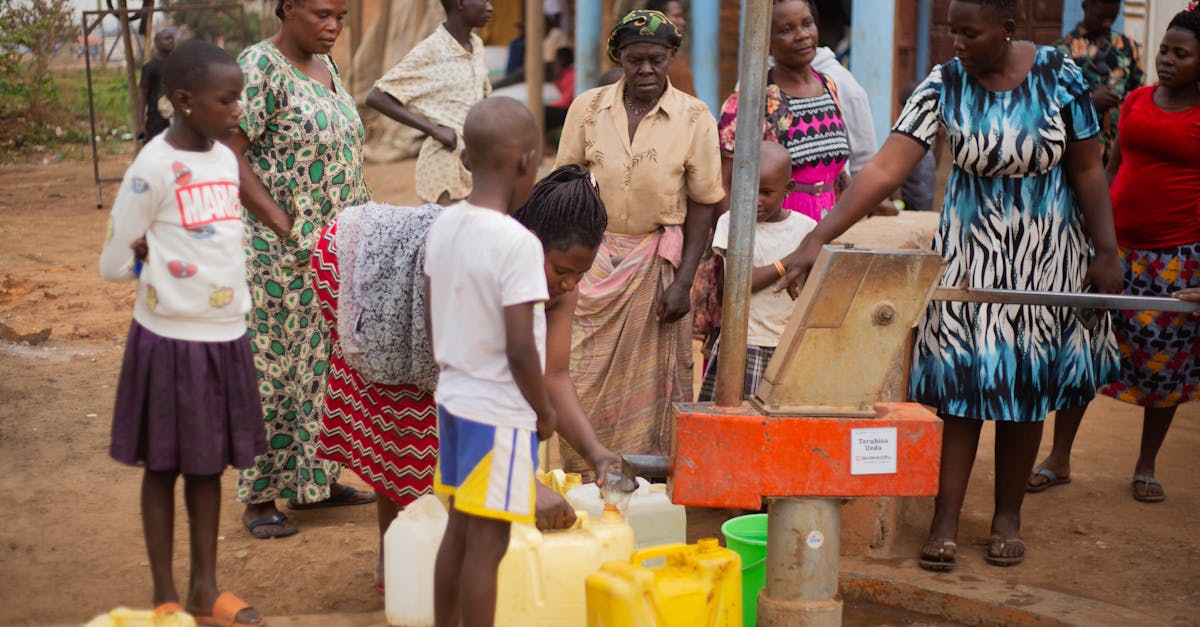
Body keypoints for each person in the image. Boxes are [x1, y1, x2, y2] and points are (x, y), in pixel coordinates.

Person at [776, 0, 1122, 570]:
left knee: (1024, 386)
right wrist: (819, 238)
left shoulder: (1059, 75)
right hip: (968, 258)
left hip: (1044, 256)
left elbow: (1087, 166)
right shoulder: (944, 84)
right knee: (960, 384)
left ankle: (1007, 516)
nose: (956, 42)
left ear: (1006, 29)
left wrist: (1105, 251)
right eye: (952, 30)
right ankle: (946, 517)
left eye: (969, 32)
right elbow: (885, 168)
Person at [310, 164, 620, 590]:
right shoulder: (489, 269)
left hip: (428, 300)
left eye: (579, 275)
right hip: (361, 261)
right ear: (529, 243)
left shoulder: (560, 285)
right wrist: (522, 482)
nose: (568, 285)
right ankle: (399, 562)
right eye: (562, 271)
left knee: (422, 433)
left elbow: (554, 376)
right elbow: (472, 387)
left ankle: (408, 564)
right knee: (408, 421)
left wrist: (595, 452)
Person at [100, 41, 265, 626]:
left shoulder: (223, 159)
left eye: (239, 98)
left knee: (207, 465)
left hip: (225, 336)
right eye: (227, 100)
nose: (238, 110)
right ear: (184, 100)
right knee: (163, 466)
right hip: (168, 341)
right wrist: (148, 263)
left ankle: (205, 589)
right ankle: (165, 594)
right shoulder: (152, 167)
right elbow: (114, 262)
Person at [1028, 6, 1200, 503]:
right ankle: (1059, 458)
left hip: (1175, 257)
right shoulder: (1137, 101)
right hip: (1114, 250)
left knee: (1164, 364)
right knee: (1083, 352)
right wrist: (1088, 235)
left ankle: (1146, 465)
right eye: (1164, 50)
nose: (1167, 60)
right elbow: (1108, 171)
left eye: (1181, 54)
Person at [226, 0, 376, 540]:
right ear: (288, 9)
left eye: (341, 15)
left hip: (331, 252)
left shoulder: (325, 64)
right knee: (273, 375)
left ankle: (315, 482)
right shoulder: (260, 67)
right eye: (321, 14)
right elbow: (227, 153)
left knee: (322, 372)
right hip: (278, 259)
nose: (334, 26)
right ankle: (259, 497)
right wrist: (283, 224)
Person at [555, 9, 724, 474]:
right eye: (634, 60)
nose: (646, 70)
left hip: (656, 264)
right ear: (618, 58)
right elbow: (565, 181)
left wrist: (684, 281)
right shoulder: (588, 108)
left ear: (671, 56)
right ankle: (583, 475)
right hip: (591, 260)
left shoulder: (694, 117)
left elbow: (704, 203)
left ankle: (642, 477)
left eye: (656, 59)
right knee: (580, 372)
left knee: (650, 383)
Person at [425, 97, 554, 627]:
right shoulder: (517, 243)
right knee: (488, 543)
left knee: (458, 531)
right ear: (527, 162)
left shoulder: (443, 225)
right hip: (499, 412)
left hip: (454, 401)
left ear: (464, 159)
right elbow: (521, 347)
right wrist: (543, 412)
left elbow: (433, 315)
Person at [697, 142, 817, 401]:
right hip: (744, 344)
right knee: (736, 418)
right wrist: (792, 259)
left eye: (766, 192)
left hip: (788, 345)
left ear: (788, 189)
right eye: (748, 189)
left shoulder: (807, 228)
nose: (755, 200)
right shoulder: (731, 222)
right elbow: (741, 282)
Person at [717, 0, 850, 224]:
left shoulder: (829, 86)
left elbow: (838, 175)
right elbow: (724, 182)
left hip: (825, 229)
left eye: (807, 23)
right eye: (786, 30)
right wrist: (732, 238)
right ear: (767, 42)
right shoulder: (752, 100)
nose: (802, 35)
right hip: (773, 233)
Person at [366, 0, 493, 205]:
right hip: (444, 169)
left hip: (475, 163)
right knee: (446, 223)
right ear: (460, 3)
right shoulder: (431, 50)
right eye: (483, 0)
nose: (490, 7)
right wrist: (434, 130)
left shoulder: (476, 45)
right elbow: (377, 97)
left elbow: (482, 97)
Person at [1054, 0, 1145, 163]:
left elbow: (1139, 95)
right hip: (1078, 156)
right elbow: (1051, 108)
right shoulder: (1061, 52)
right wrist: (1090, 103)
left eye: (1112, 17)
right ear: (1085, 6)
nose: (1107, 23)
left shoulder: (1128, 47)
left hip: (1119, 154)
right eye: (1101, 17)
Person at [645, 0, 696, 95]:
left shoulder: (673, 58)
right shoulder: (655, 63)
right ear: (658, 19)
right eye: (677, 16)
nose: (682, 22)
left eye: (682, 17)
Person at [137, 28, 175, 146]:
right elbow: (143, 94)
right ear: (157, 43)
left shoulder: (177, 64)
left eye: (172, 38)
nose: (171, 41)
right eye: (167, 39)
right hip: (156, 120)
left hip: (175, 119)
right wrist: (140, 124)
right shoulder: (150, 67)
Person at [545, 46, 576, 131]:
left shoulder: (573, 74)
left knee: (544, 112)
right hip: (562, 107)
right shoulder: (562, 74)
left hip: (569, 110)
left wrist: (548, 104)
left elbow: (566, 101)